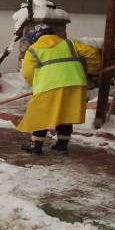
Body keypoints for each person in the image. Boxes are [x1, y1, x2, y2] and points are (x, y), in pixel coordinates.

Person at [18, 24, 101, 155]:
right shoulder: (70, 44)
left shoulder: (33, 50)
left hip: (48, 87)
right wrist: (91, 70)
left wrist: (36, 84)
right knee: (66, 113)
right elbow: (92, 53)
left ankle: (36, 146)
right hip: (75, 84)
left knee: (40, 115)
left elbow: (28, 73)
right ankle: (61, 145)